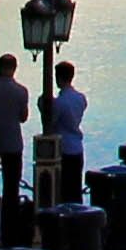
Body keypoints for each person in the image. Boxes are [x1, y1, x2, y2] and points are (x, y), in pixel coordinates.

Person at [44, 60, 90, 207]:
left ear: (58, 78)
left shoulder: (59, 102)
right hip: (77, 147)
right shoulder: (81, 98)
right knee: (76, 188)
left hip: (63, 149)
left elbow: (50, 124)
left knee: (64, 189)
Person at [0, 58, 31, 205]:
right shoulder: (21, 91)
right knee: (11, 187)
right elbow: (23, 117)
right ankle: (9, 223)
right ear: (14, 68)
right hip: (12, 141)